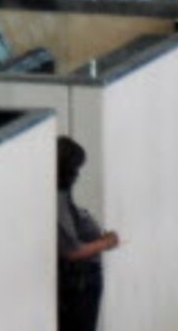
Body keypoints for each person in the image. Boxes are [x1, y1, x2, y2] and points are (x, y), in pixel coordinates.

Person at [56, 134, 117, 331]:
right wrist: (106, 243)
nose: (77, 176)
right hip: (78, 282)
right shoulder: (57, 200)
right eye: (74, 170)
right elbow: (72, 251)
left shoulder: (63, 194)